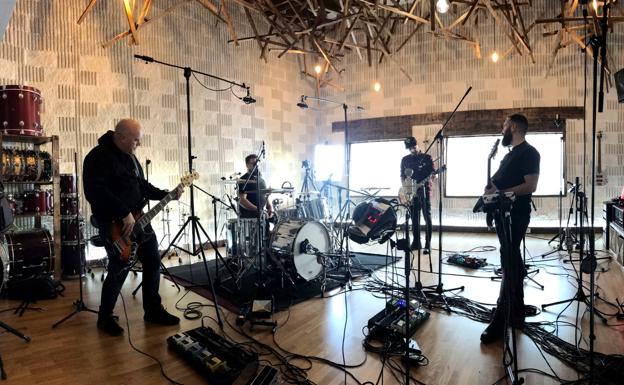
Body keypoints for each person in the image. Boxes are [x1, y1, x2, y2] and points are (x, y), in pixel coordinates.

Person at [83, 118, 183, 336]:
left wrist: (167, 194)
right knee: (119, 267)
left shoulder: (131, 158)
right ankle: (105, 317)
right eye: (136, 141)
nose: (138, 145)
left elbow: (142, 187)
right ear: (120, 137)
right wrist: (123, 213)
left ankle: (153, 310)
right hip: (113, 223)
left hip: (139, 221)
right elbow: (95, 192)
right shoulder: (97, 157)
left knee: (153, 262)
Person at [480, 114, 540, 344]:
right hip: (501, 214)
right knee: (511, 257)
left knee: (508, 259)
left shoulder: (530, 153)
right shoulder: (509, 155)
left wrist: (503, 193)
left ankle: (501, 315)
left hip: (516, 214)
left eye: (504, 124)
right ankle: (517, 310)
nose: (502, 127)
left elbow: (531, 185)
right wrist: (491, 189)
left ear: (513, 127)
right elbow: (498, 183)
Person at [400, 137, 434, 253]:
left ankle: (428, 244)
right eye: (409, 148)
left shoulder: (427, 158)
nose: (412, 150)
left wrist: (430, 178)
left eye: (413, 147)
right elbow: (402, 176)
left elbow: (432, 174)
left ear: (417, 145)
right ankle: (416, 242)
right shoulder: (405, 160)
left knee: (426, 217)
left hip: (425, 191)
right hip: (411, 193)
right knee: (414, 218)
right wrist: (405, 190)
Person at [238, 154, 273, 219]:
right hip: (249, 217)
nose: (256, 166)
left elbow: (265, 195)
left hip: (262, 216)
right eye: (253, 163)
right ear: (247, 165)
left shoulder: (261, 180)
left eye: (257, 163)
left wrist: (269, 207)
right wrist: (258, 209)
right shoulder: (243, 180)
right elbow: (242, 200)